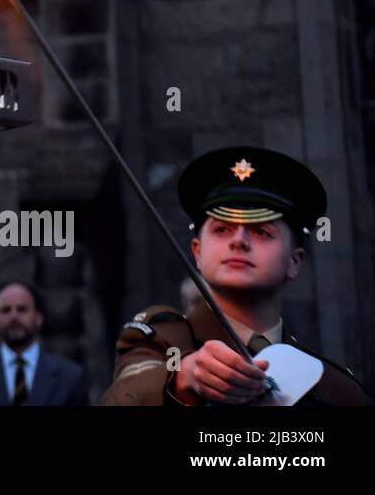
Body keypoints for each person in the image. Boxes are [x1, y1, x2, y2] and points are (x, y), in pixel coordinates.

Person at [102, 146, 372, 406]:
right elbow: (123, 396)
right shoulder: (161, 341)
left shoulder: (335, 387)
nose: (239, 241)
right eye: (222, 230)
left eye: (261, 232)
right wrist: (182, 380)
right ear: (197, 252)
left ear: (294, 261)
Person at [0, 281, 89, 405]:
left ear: (38, 319)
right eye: (6, 310)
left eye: (22, 309)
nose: (14, 316)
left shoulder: (70, 378)